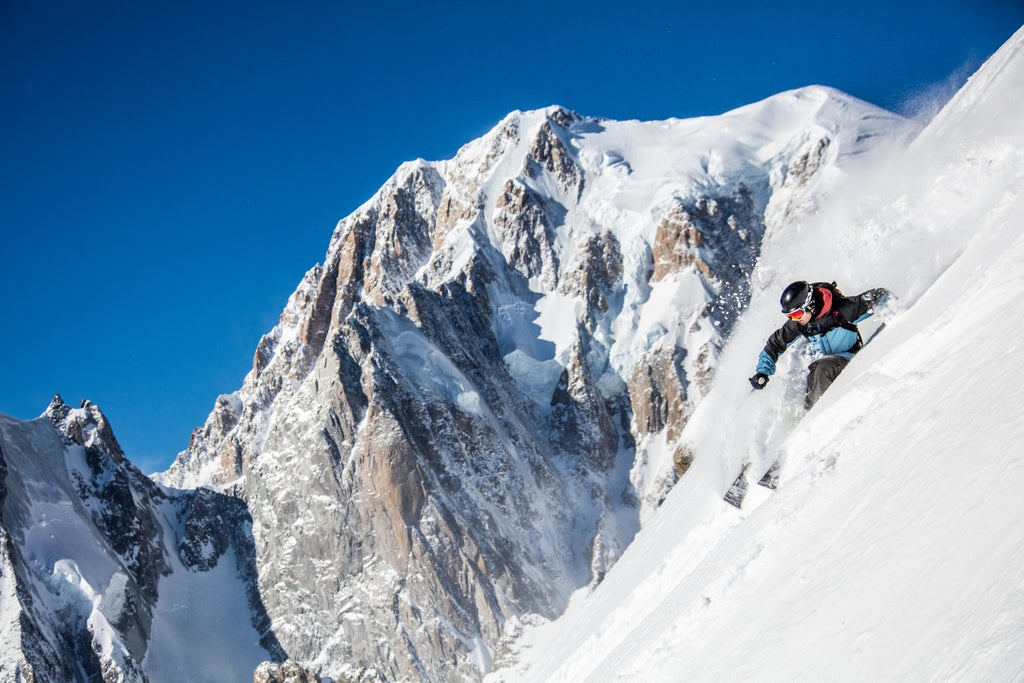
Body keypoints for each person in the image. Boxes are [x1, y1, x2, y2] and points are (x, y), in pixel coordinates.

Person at [749, 280, 889, 409]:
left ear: (810, 305)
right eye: (790, 316)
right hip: (821, 363)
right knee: (812, 372)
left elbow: (880, 296)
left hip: (849, 359)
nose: (795, 320)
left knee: (822, 370)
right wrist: (763, 371)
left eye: (797, 314)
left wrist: (894, 316)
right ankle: (807, 414)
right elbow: (775, 343)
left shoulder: (843, 310)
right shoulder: (801, 323)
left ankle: (816, 415)